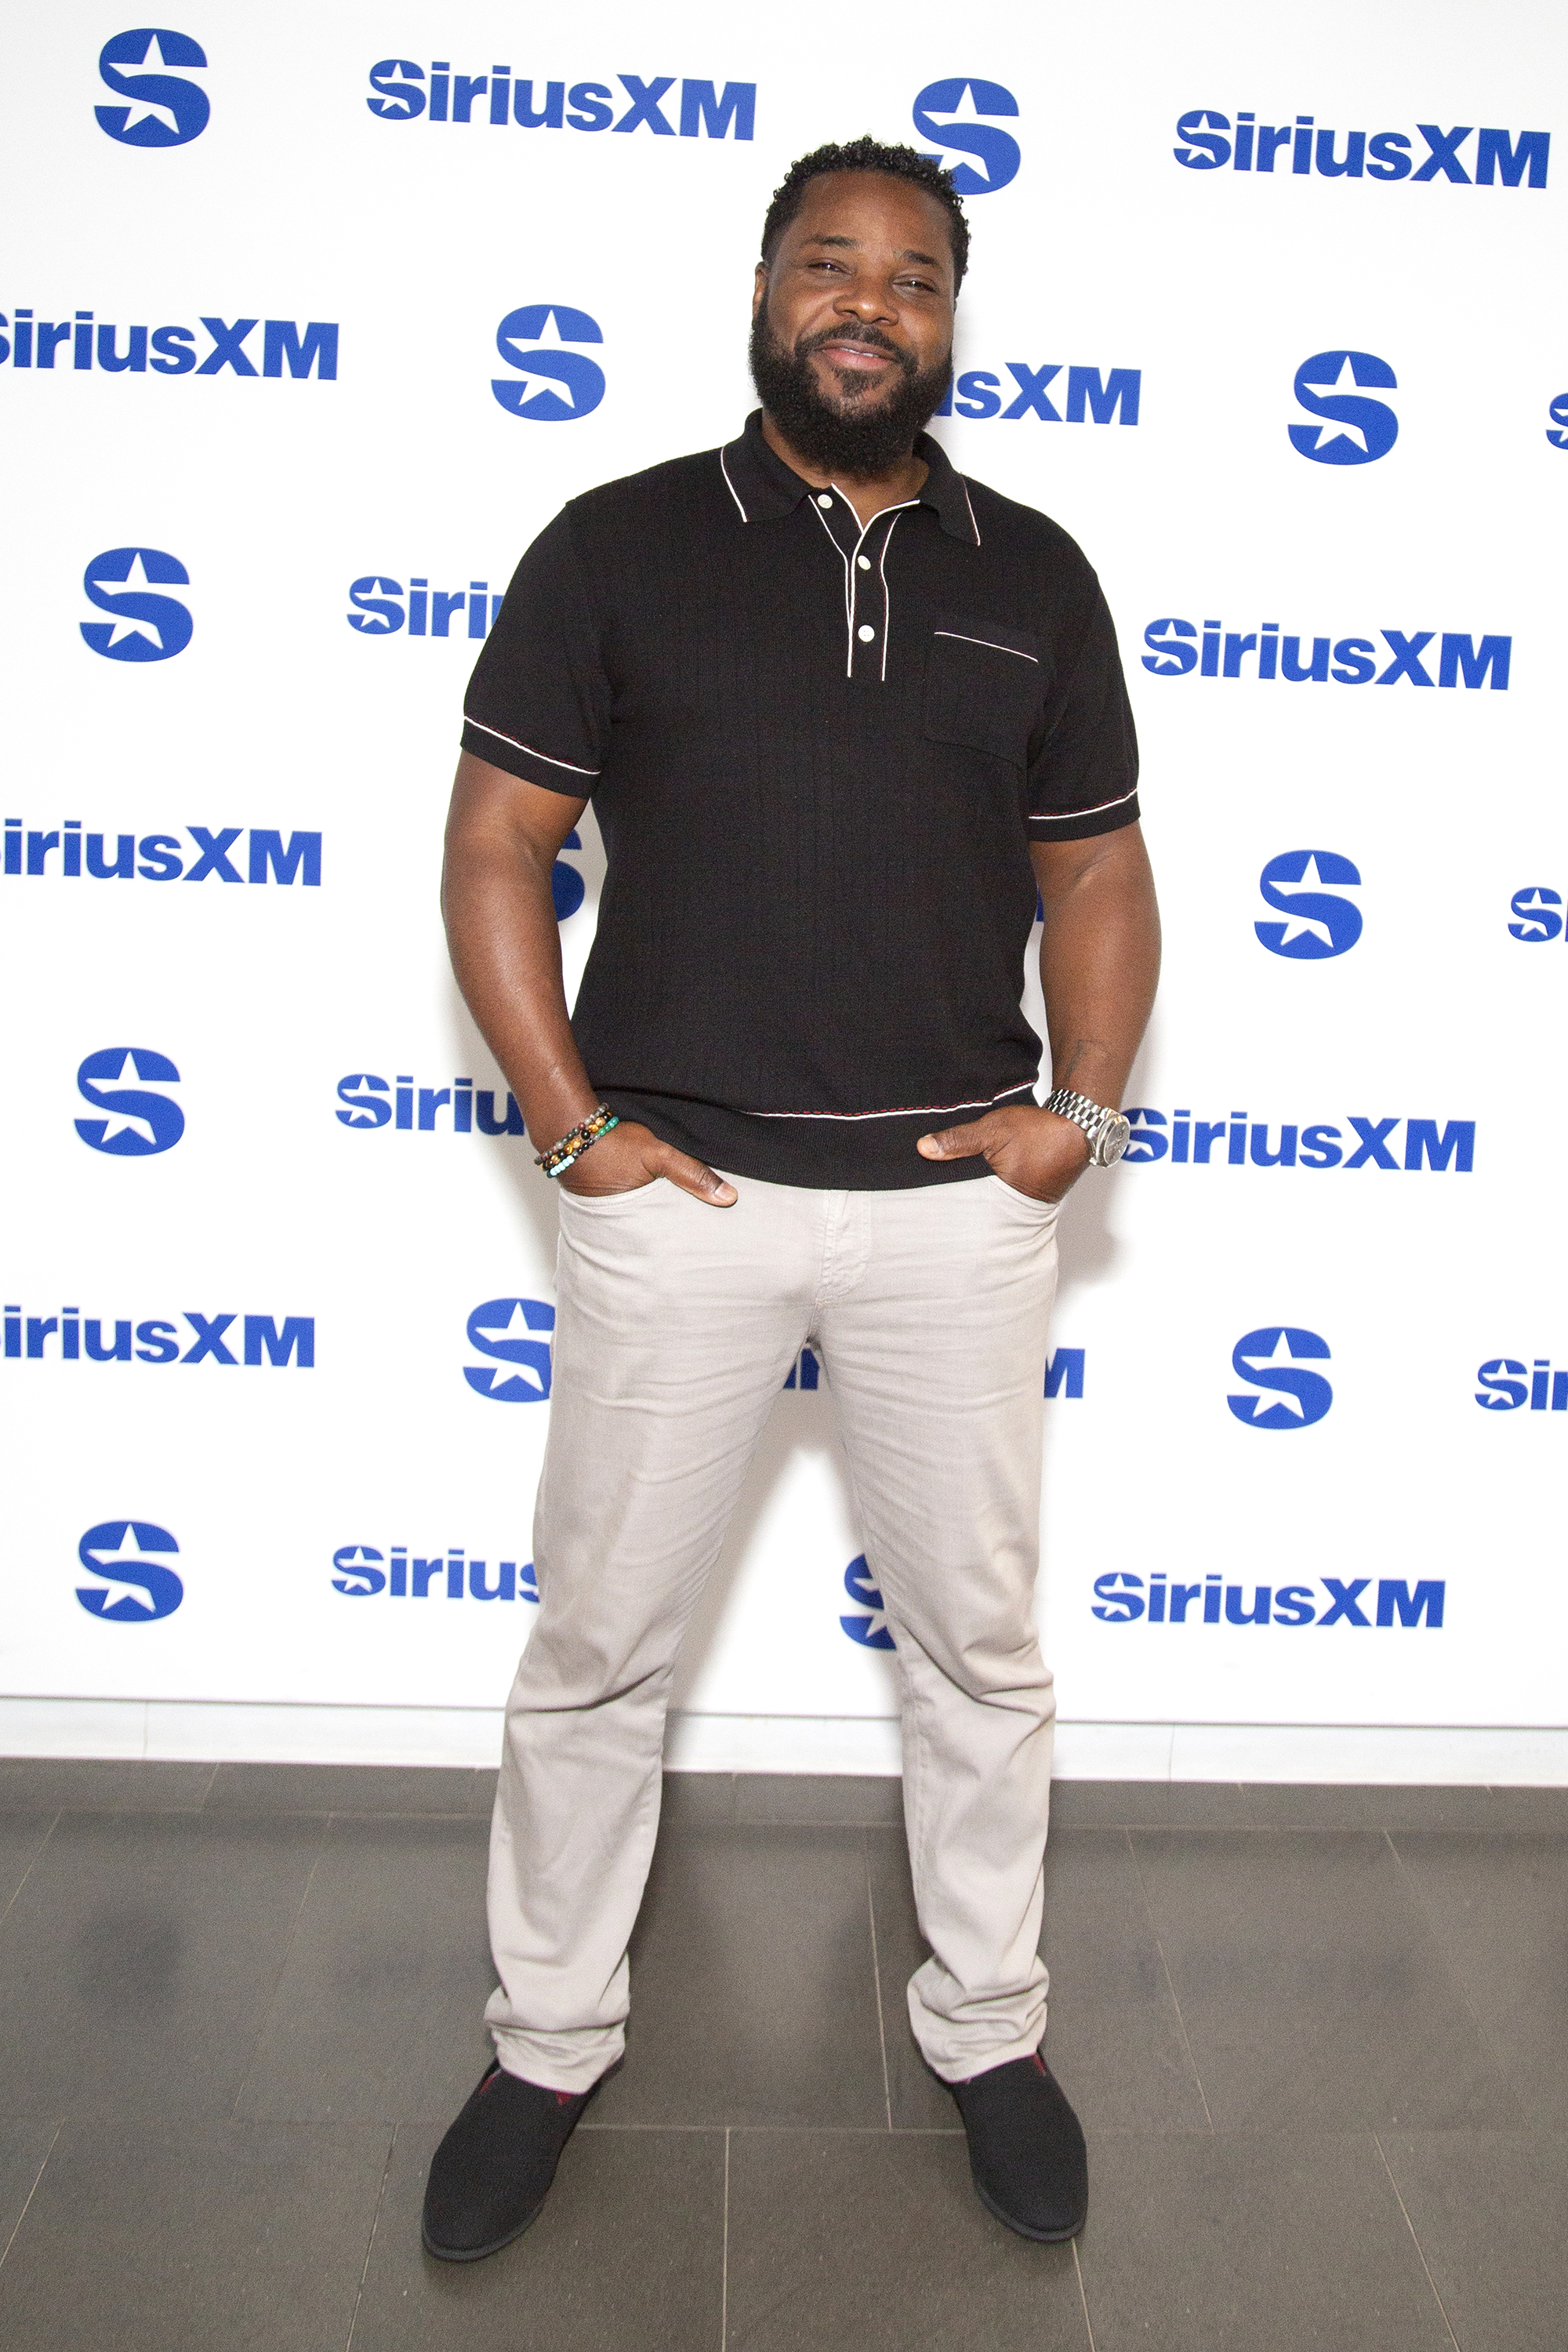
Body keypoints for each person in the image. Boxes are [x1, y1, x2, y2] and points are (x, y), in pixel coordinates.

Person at [423, 136, 1159, 2263]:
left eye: (915, 278)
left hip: (954, 1210)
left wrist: (1082, 1112)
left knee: (983, 1655)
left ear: (951, 322)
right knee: (598, 1650)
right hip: (689, 1202)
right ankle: (547, 2039)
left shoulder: (1036, 572)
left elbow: (1100, 871)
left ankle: (990, 2027)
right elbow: (495, 849)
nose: (871, 306)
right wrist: (571, 1130)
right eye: (832, 267)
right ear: (765, 294)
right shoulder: (619, 544)